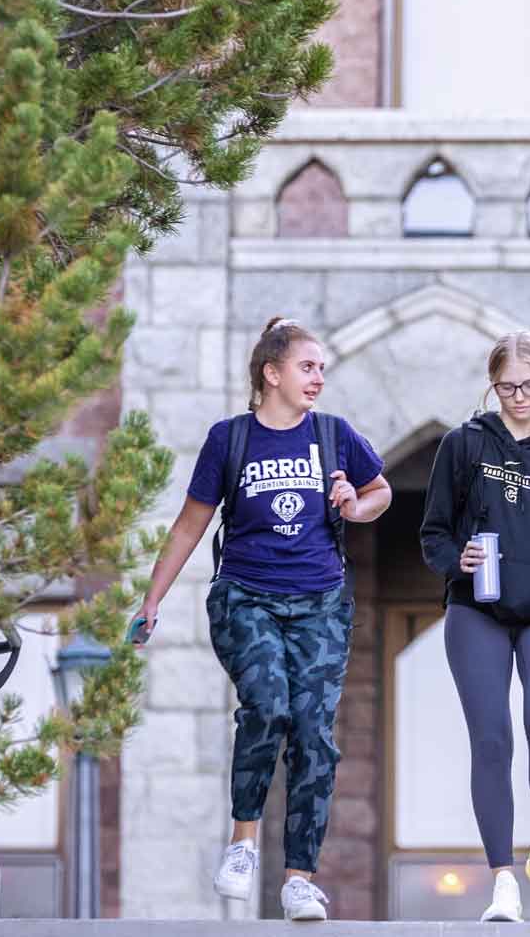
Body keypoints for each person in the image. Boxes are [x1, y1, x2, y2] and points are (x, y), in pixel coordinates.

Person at [136, 317, 391, 922]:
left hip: (321, 602)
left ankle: (300, 877)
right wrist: (152, 600)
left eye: (322, 370)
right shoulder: (230, 440)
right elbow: (190, 526)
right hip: (245, 597)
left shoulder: (333, 435)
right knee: (270, 706)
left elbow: (379, 490)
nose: (317, 379)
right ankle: (244, 843)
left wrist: (354, 505)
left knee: (314, 733)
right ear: (270, 373)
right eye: (307, 367)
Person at [420, 331, 530, 922]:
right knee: (491, 737)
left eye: (529, 385)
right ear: (491, 385)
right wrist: (458, 563)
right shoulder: (463, 445)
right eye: (506, 386)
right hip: (477, 611)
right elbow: (434, 533)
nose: (518, 396)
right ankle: (501, 877)